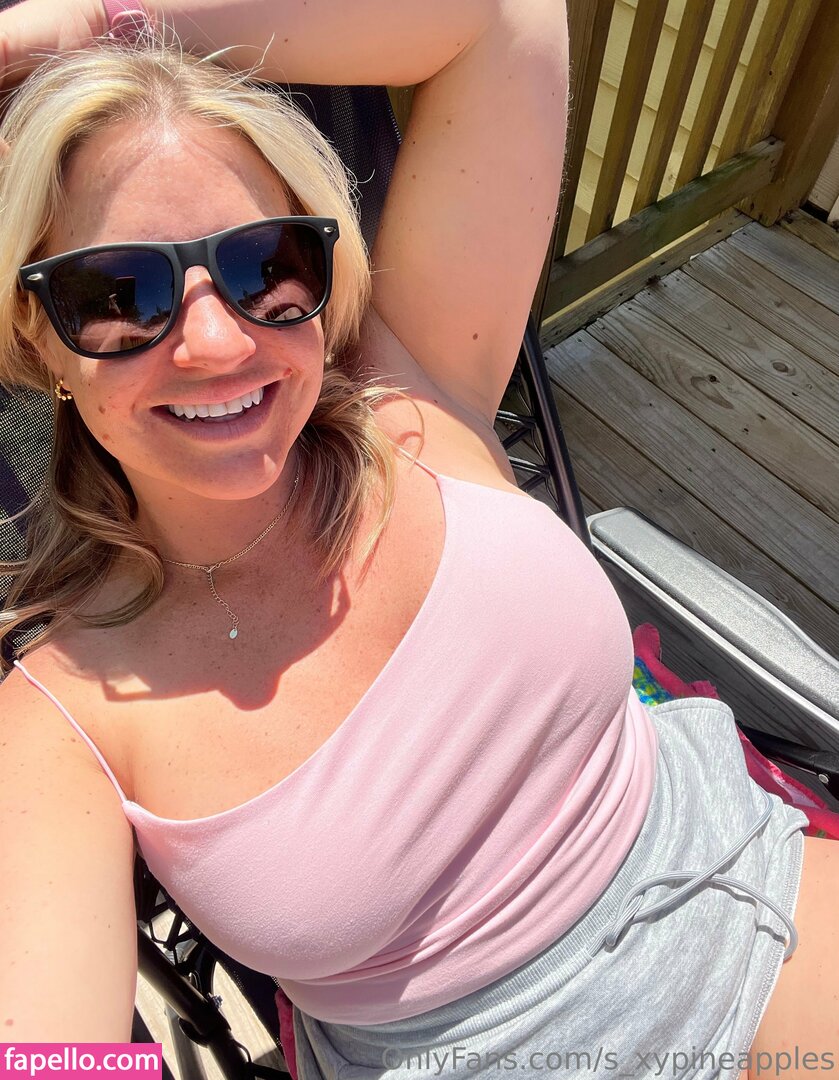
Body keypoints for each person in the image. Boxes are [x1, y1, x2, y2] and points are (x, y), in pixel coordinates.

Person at [0, 2, 836, 1076]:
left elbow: (500, 18)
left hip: (754, 899)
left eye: (265, 267)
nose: (216, 342)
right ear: (38, 335)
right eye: (120, 292)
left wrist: (99, 23)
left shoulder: (411, 396)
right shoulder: (62, 719)